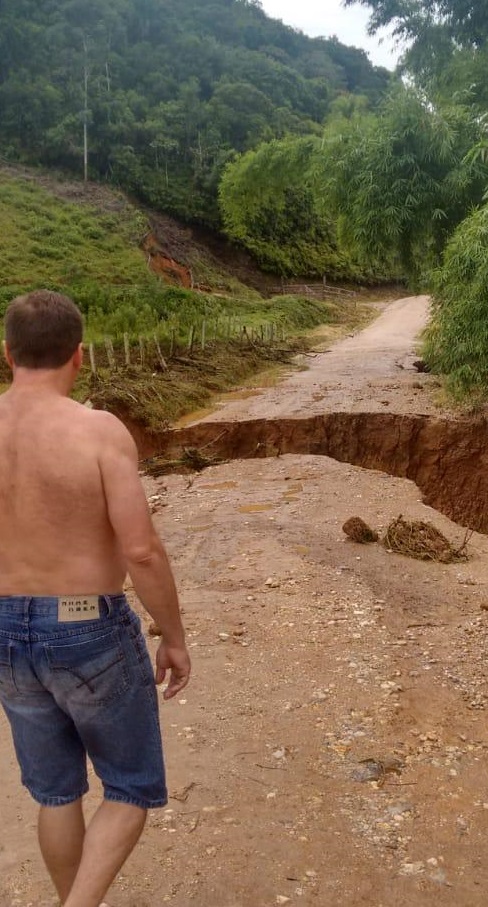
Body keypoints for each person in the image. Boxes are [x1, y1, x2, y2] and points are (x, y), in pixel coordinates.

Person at [0, 290, 191, 907]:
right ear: (79, 356)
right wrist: (174, 636)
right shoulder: (96, 429)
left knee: (56, 794)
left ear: (8, 354)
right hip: (86, 625)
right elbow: (140, 550)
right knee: (129, 787)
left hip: (3, 625)